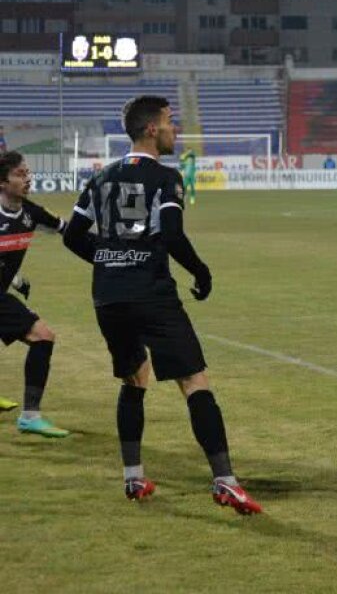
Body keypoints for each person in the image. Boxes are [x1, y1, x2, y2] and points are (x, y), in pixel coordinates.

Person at [63, 96, 262, 513]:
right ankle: (225, 481)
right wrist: (201, 271)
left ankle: (133, 478)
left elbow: (72, 235)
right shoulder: (164, 178)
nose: (175, 129)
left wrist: (108, 258)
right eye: (170, 122)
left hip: (108, 295)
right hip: (151, 293)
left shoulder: (101, 179)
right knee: (194, 381)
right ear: (152, 129)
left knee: (134, 378)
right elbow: (171, 236)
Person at [0, 151, 73, 437]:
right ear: (2, 183)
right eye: (20, 174)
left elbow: (67, 229)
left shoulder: (31, 213)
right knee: (42, 336)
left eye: (28, 173)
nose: (28, 179)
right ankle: (30, 416)